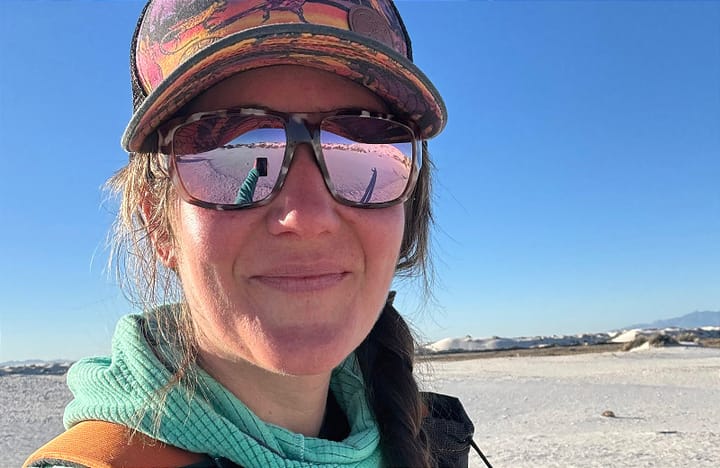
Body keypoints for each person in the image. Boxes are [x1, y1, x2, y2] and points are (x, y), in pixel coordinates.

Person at [25, 1, 485, 467]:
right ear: (158, 224)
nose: (306, 216)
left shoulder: (424, 434)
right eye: (229, 155)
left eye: (363, 154)